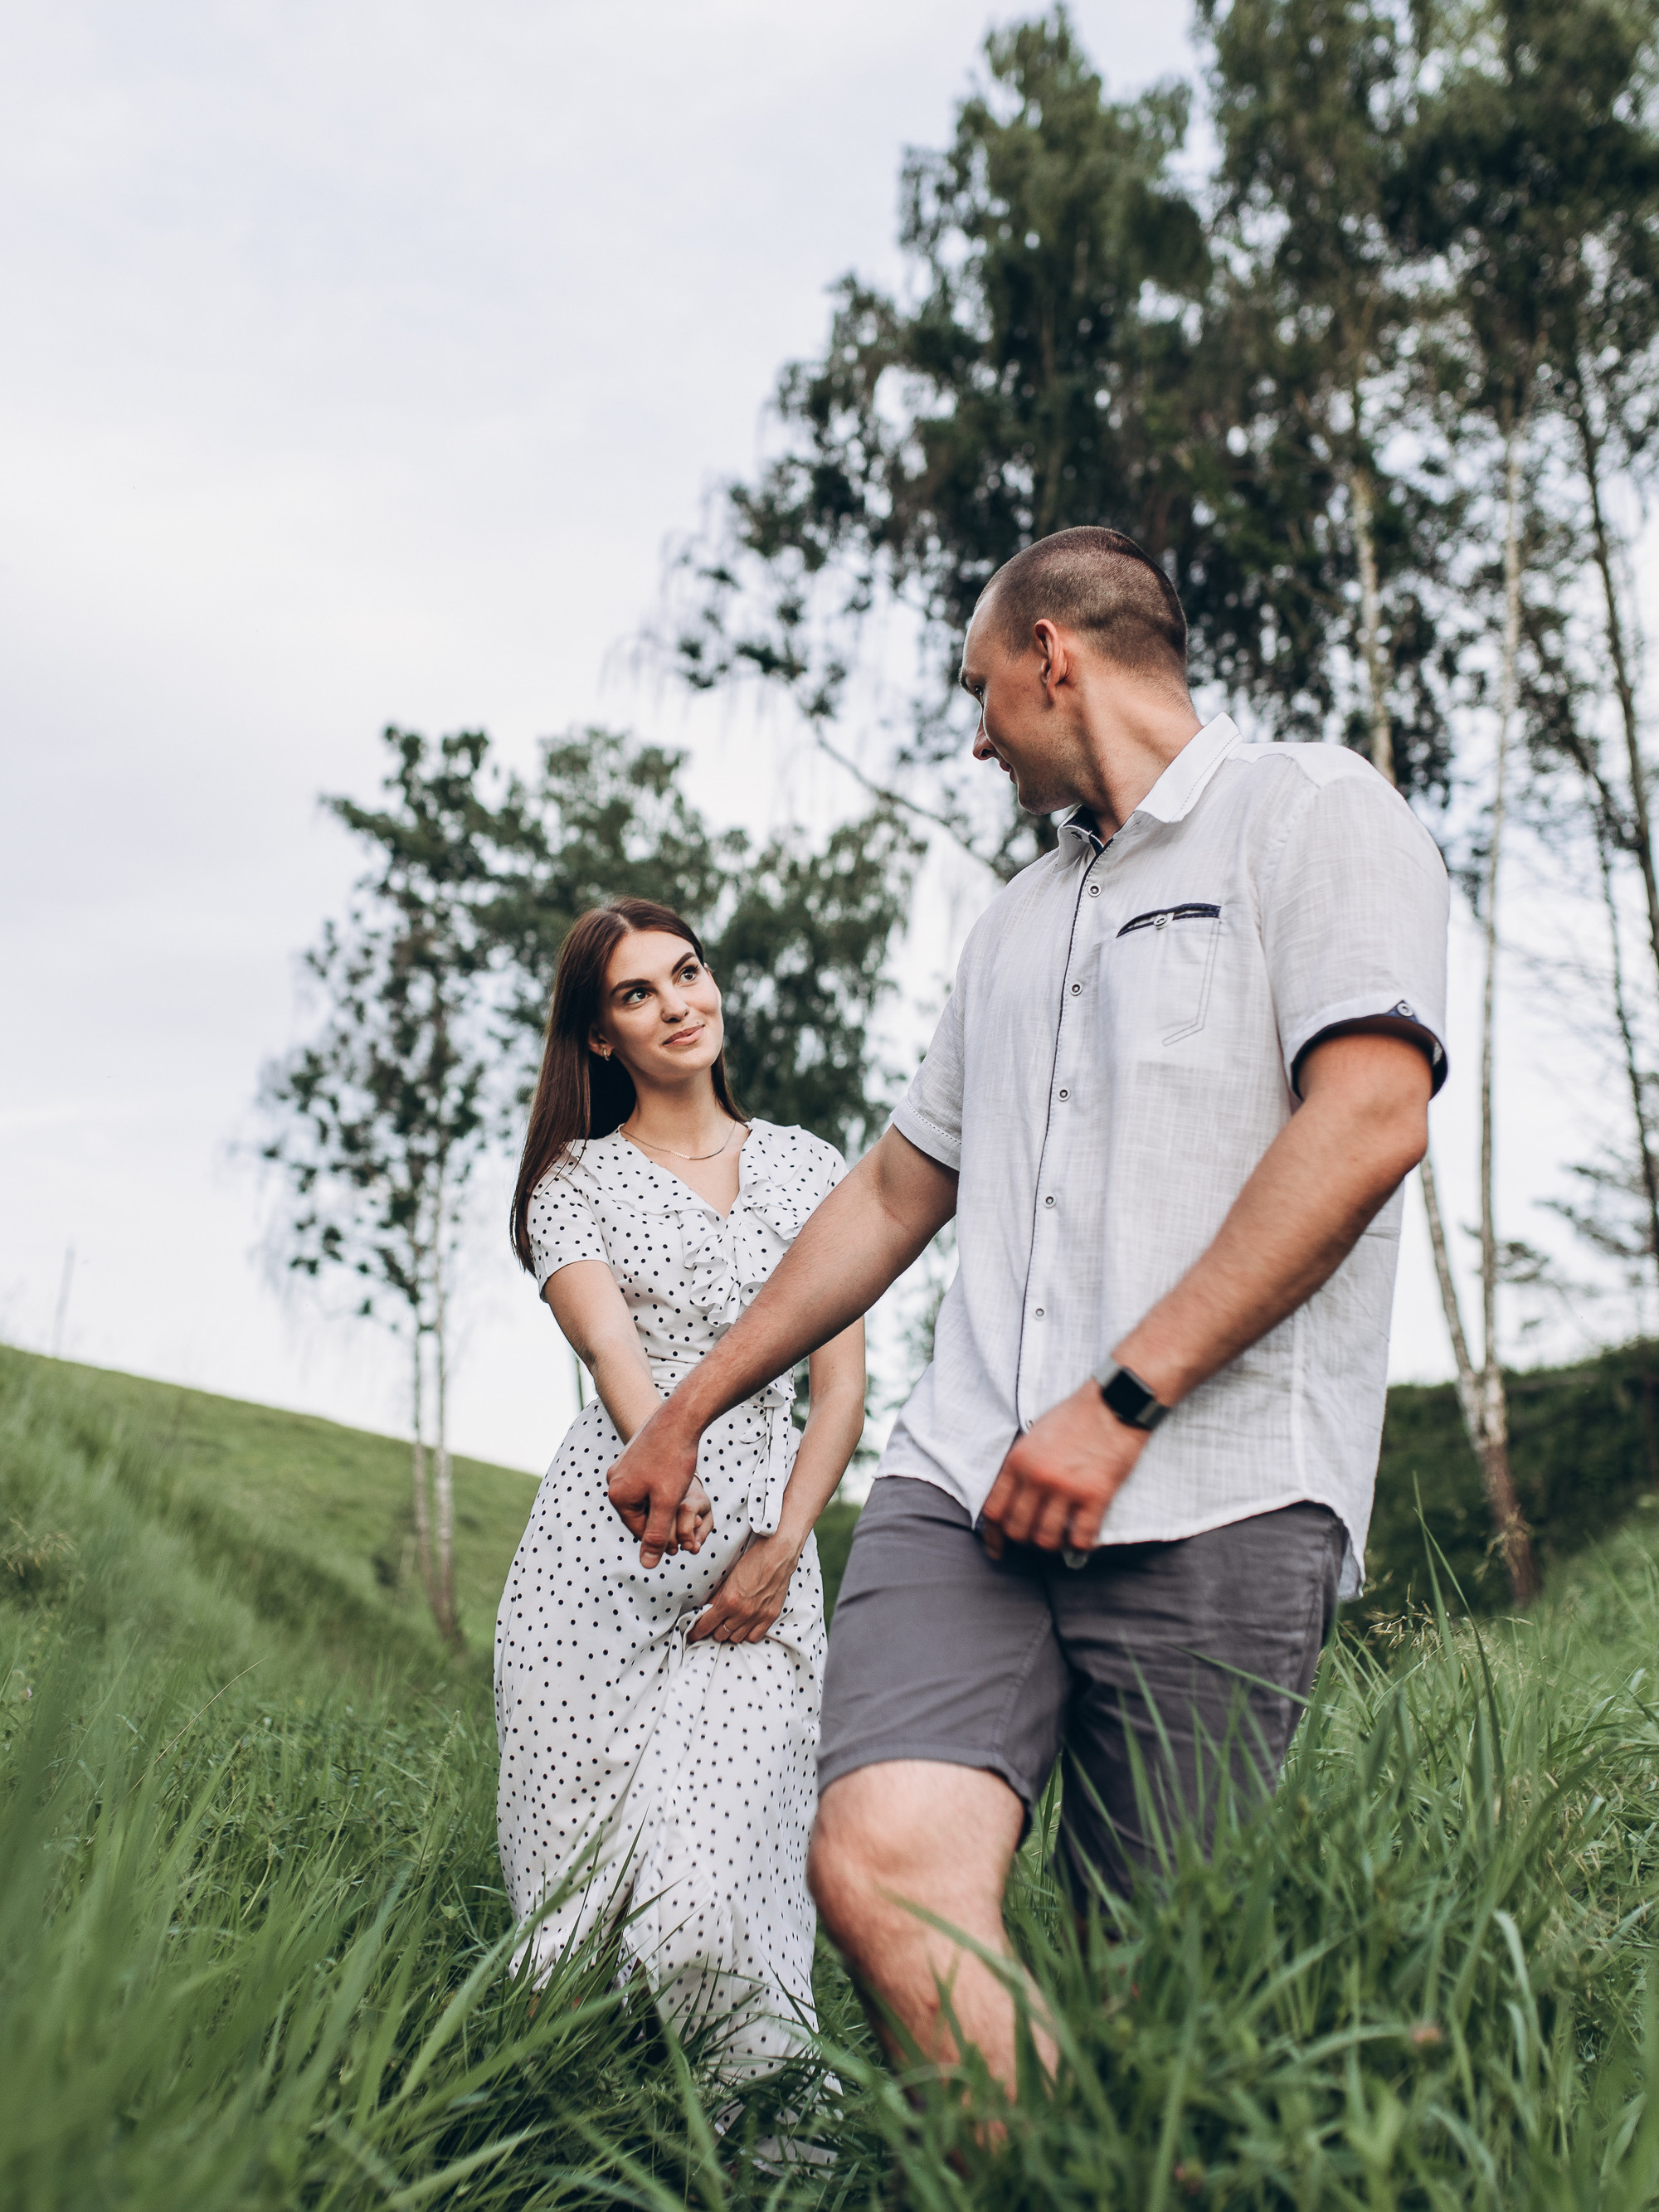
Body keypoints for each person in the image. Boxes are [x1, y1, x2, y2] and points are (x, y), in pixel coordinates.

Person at [606, 526, 1449, 2095]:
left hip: (1223, 1486)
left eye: (983, 692)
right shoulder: (1011, 923)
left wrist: (1120, 1402)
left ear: (1053, 653)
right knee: (874, 1865)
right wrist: (687, 1403)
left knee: (1163, 1994)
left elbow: (1367, 1123)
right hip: (963, 1484)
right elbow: (886, 1195)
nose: (977, 733)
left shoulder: (1312, 814)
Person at [495, 897, 865, 2080]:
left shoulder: (809, 1166)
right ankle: (575, 2156)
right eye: (637, 993)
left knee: (710, 1920)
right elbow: (614, 1357)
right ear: (600, 1037)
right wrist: (670, 1471)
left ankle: (777, 2164)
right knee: (569, 1946)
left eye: (687, 973)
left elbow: (840, 1388)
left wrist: (780, 1542)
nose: (677, 1005)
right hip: (593, 1586)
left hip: (751, 1593)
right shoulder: (573, 1181)